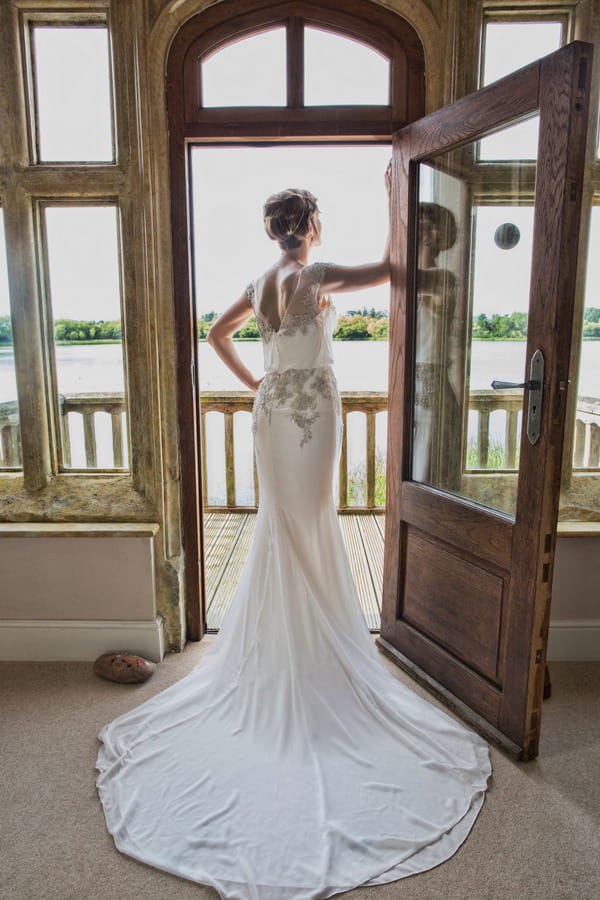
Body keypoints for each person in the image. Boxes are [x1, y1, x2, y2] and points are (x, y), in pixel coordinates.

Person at [95, 170, 491, 900]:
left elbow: (213, 335)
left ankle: (291, 641)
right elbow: (397, 267)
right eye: (316, 220)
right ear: (310, 225)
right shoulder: (320, 273)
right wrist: (394, 198)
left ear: (275, 228)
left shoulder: (259, 279)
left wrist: (258, 381)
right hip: (314, 413)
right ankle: (314, 648)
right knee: (310, 525)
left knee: (286, 526)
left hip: (275, 412)